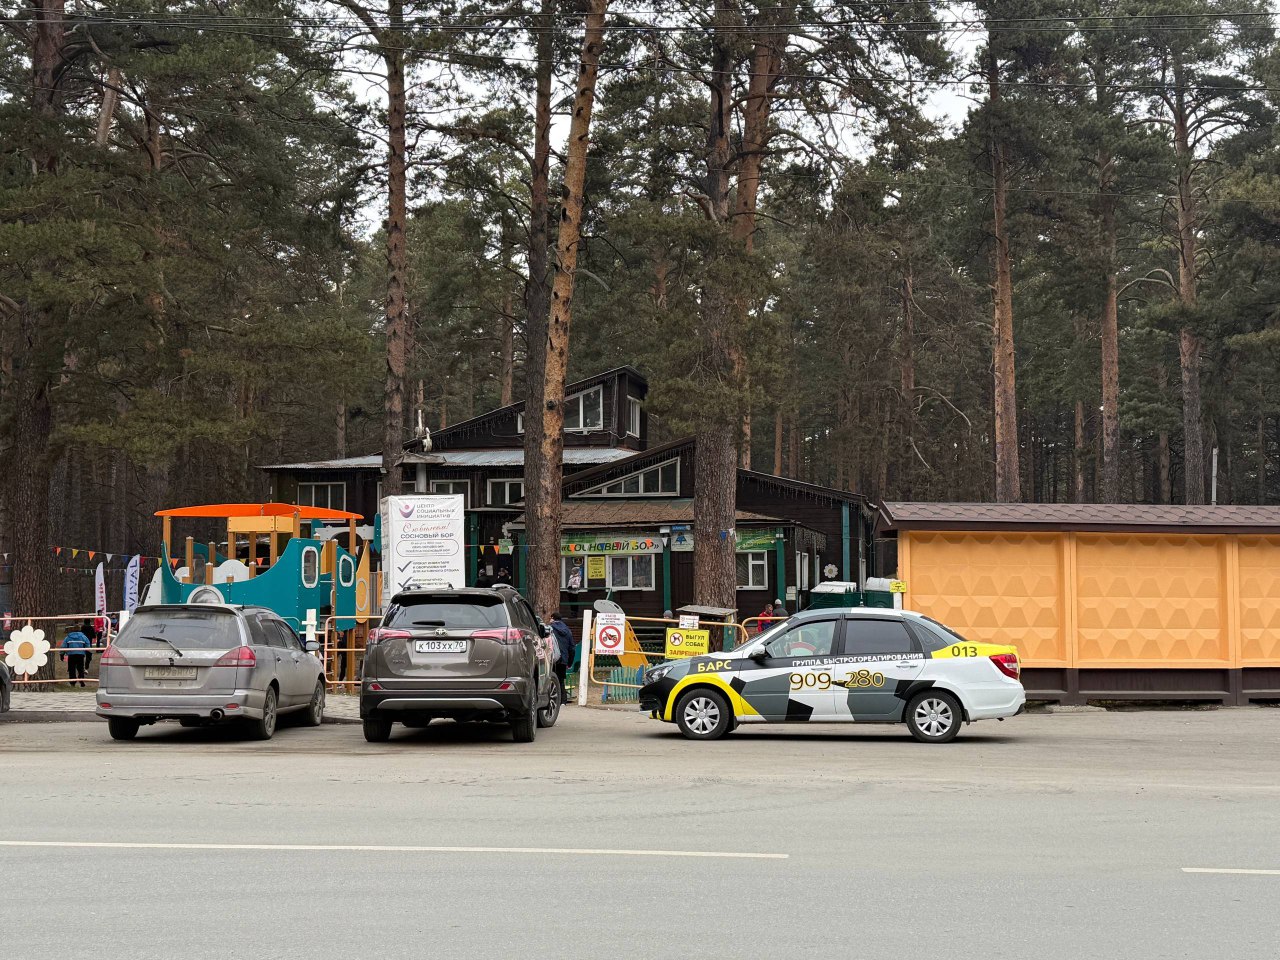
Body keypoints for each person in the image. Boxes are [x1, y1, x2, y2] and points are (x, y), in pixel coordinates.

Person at [549, 613, 575, 705]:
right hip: (563, 659)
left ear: (552, 618)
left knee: (550, 679)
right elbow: (572, 648)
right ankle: (563, 701)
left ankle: (552, 699)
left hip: (552, 658)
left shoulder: (550, 629)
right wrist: (569, 662)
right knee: (560, 680)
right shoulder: (567, 630)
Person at [60, 623, 93, 688]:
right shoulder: (84, 637)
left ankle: (72, 683)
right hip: (80, 655)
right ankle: (81, 679)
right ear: (80, 630)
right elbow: (88, 645)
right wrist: (89, 653)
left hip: (71, 655)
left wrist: (62, 654)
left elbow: (63, 646)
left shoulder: (68, 637)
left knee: (71, 669)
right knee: (80, 669)